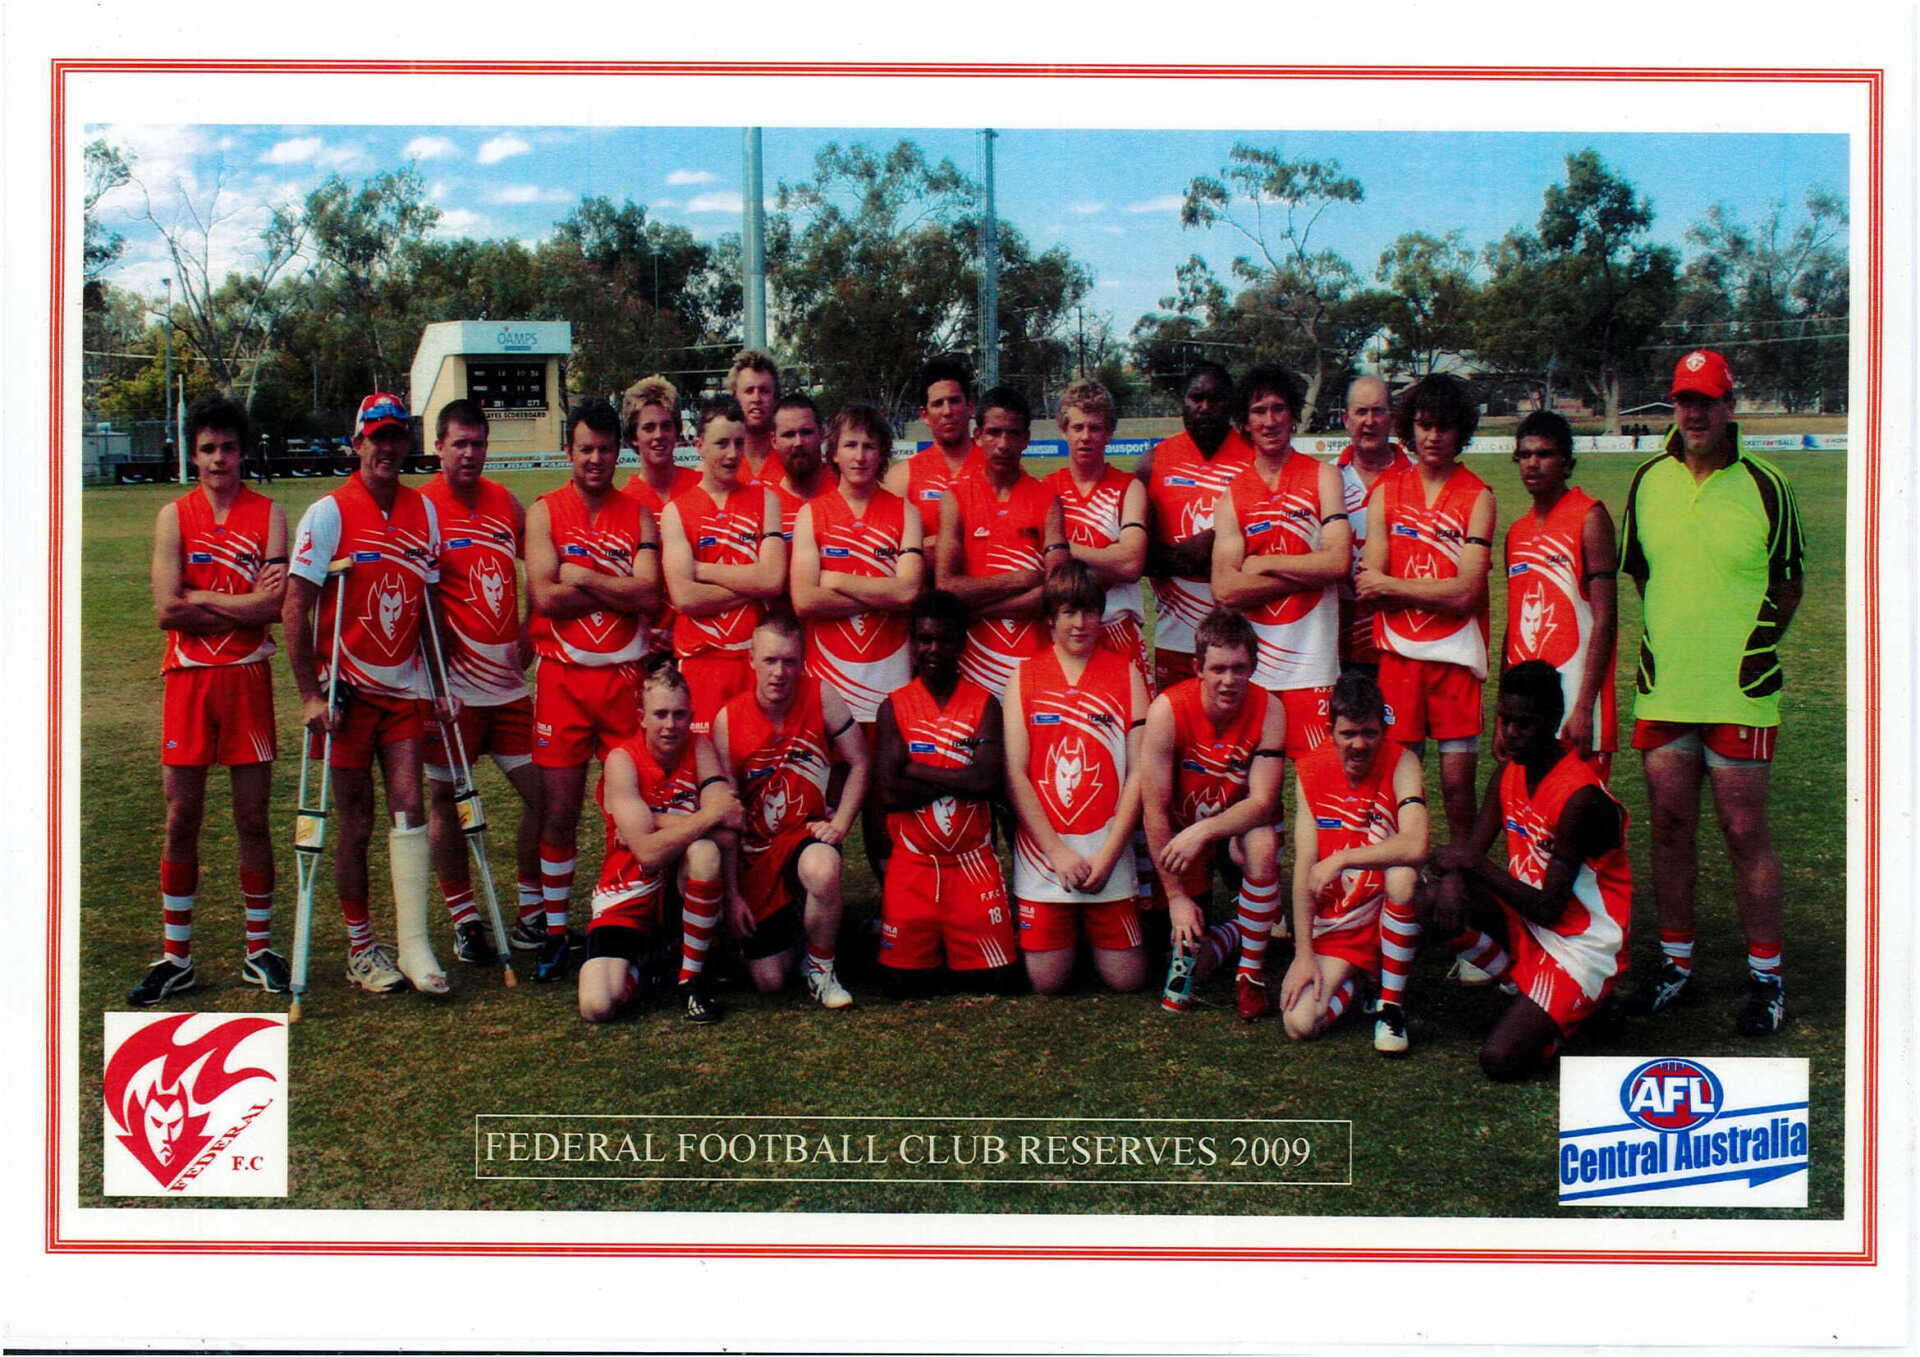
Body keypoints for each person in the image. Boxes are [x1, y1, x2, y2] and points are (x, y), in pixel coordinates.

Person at [1616, 349, 1805, 1035]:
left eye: (1707, 400)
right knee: (1669, 830)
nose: (1694, 413)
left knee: (1744, 831)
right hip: (1665, 690)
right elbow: (1641, 573)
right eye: (1683, 400)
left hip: (1740, 691)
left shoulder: (1766, 485)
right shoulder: (1647, 481)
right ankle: (1675, 965)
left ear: (1731, 405)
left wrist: (1751, 645)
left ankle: (1766, 979)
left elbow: (1788, 582)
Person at [284, 393, 448, 997]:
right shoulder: (327, 513)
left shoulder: (422, 512)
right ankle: (361, 947)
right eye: (375, 437)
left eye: (396, 436)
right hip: (345, 692)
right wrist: (308, 695)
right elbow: (295, 605)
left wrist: (438, 683)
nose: (386, 447)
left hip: (403, 688)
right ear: (357, 444)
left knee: (410, 807)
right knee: (355, 820)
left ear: (407, 442)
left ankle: (414, 946)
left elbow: (428, 604)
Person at [131, 395, 291, 1005]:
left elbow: (272, 607)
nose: (219, 458)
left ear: (242, 451)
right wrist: (237, 603)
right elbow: (165, 609)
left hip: (248, 680)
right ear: (193, 455)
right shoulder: (175, 516)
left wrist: (204, 598)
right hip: (189, 681)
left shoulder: (270, 514)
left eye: (227, 447)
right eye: (207, 449)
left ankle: (259, 950)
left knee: (252, 818)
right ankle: (177, 957)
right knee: (181, 819)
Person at [1426, 661, 1633, 1078]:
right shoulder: (1509, 769)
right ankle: (1526, 989)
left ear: (1553, 721)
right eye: (1505, 720)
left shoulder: (1581, 799)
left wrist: (1473, 865)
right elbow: (1470, 851)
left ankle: (1579, 1012)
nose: (1511, 733)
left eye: (1525, 723)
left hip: (1579, 945)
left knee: (1500, 1061)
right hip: (1528, 921)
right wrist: (1453, 879)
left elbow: (1549, 909)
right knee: (1427, 900)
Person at [523, 399, 661, 982]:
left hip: (625, 678)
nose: (596, 459)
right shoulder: (544, 512)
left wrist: (584, 576)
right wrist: (617, 586)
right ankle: (556, 931)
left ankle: (621, 921)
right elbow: (546, 598)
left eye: (606, 449)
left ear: (617, 451)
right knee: (560, 809)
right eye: (585, 449)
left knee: (630, 811)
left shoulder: (640, 514)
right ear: (568, 451)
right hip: (564, 680)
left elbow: (651, 594)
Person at [418, 399, 546, 966]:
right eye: (459, 443)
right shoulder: (420, 508)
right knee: (444, 800)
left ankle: (532, 908)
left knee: (544, 797)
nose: (469, 453)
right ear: (439, 446)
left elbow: (539, 568)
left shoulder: (505, 503)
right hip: (453, 692)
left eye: (478, 443)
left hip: (511, 690)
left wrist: (532, 629)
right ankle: (465, 918)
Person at [1353, 372, 1496, 842]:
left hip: (1455, 659)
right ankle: (1403, 889)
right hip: (1398, 658)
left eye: (1444, 426)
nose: (1433, 436)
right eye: (1424, 425)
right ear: (1409, 428)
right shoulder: (1388, 492)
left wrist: (1400, 587)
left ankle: (1460, 885)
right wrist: (1439, 589)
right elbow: (1369, 586)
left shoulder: (1479, 496)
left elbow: (1467, 594)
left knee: (1458, 789)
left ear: (1462, 432)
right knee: (1402, 784)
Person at [1004, 560, 1151, 995]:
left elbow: (1139, 772)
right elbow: (1015, 772)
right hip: (1045, 859)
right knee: (1048, 984)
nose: (1080, 623)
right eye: (1069, 612)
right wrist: (1058, 854)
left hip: (1109, 856)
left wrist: (1107, 857)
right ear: (1051, 618)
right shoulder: (1023, 675)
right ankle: (1065, 928)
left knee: (1127, 981)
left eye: (1089, 611)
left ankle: (1092, 929)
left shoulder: (1127, 674)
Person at [711, 612, 869, 1008]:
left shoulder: (822, 696)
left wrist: (841, 823)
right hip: (756, 855)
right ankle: (812, 925)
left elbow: (861, 762)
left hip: (805, 836)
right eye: (770, 660)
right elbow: (727, 820)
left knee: (823, 866)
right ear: (751, 659)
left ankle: (822, 967)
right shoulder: (728, 720)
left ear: (802, 661)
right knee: (770, 981)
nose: (779, 672)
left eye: (789, 661)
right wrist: (731, 896)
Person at [1139, 609, 1288, 1020]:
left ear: (1254, 667)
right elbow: (1154, 809)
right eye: (1218, 668)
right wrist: (1176, 897)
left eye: (1239, 669)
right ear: (1197, 668)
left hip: (1230, 827)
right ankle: (1244, 926)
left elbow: (1261, 802)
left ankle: (1250, 976)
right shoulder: (1168, 710)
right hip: (1178, 833)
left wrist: (1203, 831)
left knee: (1263, 841)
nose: (1229, 680)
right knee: (1174, 960)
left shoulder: (1270, 709)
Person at [870, 591, 1019, 997]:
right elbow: (888, 794)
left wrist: (915, 767)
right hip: (913, 866)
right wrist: (959, 772)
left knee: (997, 983)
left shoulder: (986, 704)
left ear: (962, 642)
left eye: (944, 639)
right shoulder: (893, 707)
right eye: (924, 639)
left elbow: (988, 782)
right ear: (913, 642)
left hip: (972, 866)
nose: (934, 649)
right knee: (903, 987)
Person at [581, 655, 743, 1024]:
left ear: (690, 715)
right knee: (597, 1005)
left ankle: (691, 979)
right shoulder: (622, 760)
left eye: (680, 714)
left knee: (704, 852)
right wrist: (708, 816)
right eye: (660, 714)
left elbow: (731, 830)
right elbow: (649, 854)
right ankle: (649, 966)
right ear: (642, 716)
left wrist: (655, 820)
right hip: (629, 890)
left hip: (680, 888)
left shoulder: (700, 748)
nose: (671, 725)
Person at [1280, 670, 1428, 1048]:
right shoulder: (1310, 769)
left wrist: (1344, 858)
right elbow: (1304, 867)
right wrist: (1303, 954)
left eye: (1370, 733)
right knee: (1299, 1024)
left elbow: (1415, 845)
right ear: (1332, 732)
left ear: (1383, 730)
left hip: (1384, 910)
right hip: (1337, 923)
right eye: (1348, 734)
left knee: (1402, 877)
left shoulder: (1403, 761)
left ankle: (1390, 1008)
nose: (1359, 745)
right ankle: (1364, 978)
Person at [1210, 363, 1350, 757]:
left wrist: (1265, 564)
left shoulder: (1324, 477)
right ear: (1245, 421)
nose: (1269, 421)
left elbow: (1338, 563)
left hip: (1314, 666)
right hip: (1255, 669)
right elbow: (1225, 589)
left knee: (1316, 784)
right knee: (1257, 793)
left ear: (1293, 415)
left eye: (1278, 408)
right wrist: (1309, 571)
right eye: (1259, 411)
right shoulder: (1233, 495)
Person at [659, 395, 789, 735]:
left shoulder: (766, 501)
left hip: (755, 659)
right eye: (721, 443)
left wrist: (703, 570)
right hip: (702, 662)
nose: (732, 454)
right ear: (699, 445)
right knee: (707, 768)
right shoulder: (677, 510)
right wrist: (751, 585)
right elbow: (685, 597)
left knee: (760, 764)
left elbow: (774, 580)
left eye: (738, 443)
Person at [1503, 410, 1619, 782]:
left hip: (1574, 700)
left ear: (1567, 462)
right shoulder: (1517, 532)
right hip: (1524, 711)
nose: (1532, 463)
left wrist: (1584, 706)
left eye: (1545, 454)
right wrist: (1502, 716)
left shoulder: (1589, 518)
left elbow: (1606, 618)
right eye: (1524, 454)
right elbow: (1513, 627)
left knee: (1578, 819)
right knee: (1529, 820)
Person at [790, 402, 923, 725]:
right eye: (850, 445)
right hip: (828, 677)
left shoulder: (906, 512)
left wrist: (834, 579)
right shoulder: (812, 513)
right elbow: (805, 600)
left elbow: (907, 594)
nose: (860, 456)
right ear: (833, 453)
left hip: (890, 676)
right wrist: (882, 595)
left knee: (885, 771)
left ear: (882, 453)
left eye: (869, 446)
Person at [933, 386, 1067, 698]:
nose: (1003, 444)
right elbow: (947, 586)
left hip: (1035, 662)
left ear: (1026, 439)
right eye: (994, 433)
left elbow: (1056, 590)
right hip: (974, 665)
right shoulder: (955, 498)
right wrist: (1020, 579)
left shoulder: (1047, 499)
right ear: (978, 435)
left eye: (1012, 434)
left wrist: (980, 610)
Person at [1136, 363, 1254, 691]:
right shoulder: (1153, 462)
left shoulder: (1255, 459)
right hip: (1175, 634)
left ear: (1231, 402)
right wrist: (1189, 556)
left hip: (1241, 636)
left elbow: (1265, 543)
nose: (1204, 407)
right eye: (1196, 398)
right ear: (1183, 403)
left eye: (1215, 399)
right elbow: (1138, 558)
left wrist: (1216, 545)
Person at [1044, 378, 1149, 686]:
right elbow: (1039, 570)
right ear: (1064, 430)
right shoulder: (1044, 490)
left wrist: (1060, 549)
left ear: (1110, 433)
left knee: (1131, 728)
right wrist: (1107, 558)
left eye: (1095, 428)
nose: (1086, 437)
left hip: (1117, 629)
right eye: (1077, 428)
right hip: (1063, 635)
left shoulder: (1129, 487)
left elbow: (1131, 563)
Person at [1332, 375, 1412, 670]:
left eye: (1378, 411)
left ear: (1392, 417)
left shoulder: (1417, 477)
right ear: (1346, 418)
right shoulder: (1325, 479)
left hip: (1402, 642)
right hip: (1338, 646)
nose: (1370, 421)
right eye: (1361, 411)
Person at [884, 356, 982, 551]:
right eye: (938, 404)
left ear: (970, 407)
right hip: (928, 581)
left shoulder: (997, 467)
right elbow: (882, 551)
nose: (947, 411)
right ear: (924, 415)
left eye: (954, 401)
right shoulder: (902, 477)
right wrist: (932, 545)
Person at [770, 393, 833, 535]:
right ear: (774, 440)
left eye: (806, 432)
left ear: (822, 433)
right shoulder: (766, 503)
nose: (798, 442)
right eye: (788, 435)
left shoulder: (848, 489)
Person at [725, 349, 783, 485]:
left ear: (775, 397)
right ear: (734, 397)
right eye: (749, 391)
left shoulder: (791, 458)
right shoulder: (721, 462)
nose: (756, 398)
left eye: (764, 391)